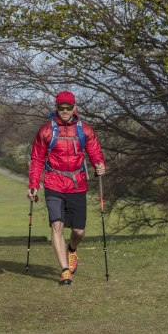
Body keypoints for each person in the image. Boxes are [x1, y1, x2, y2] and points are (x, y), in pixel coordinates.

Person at [27, 90, 106, 285]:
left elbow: (95, 153)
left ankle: (72, 249)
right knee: (57, 226)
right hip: (54, 183)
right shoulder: (46, 130)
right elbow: (37, 159)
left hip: (77, 185)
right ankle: (64, 270)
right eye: (61, 108)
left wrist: (99, 165)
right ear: (56, 108)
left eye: (68, 107)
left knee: (78, 231)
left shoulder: (84, 130)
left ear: (74, 108)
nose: (64, 111)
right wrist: (33, 185)